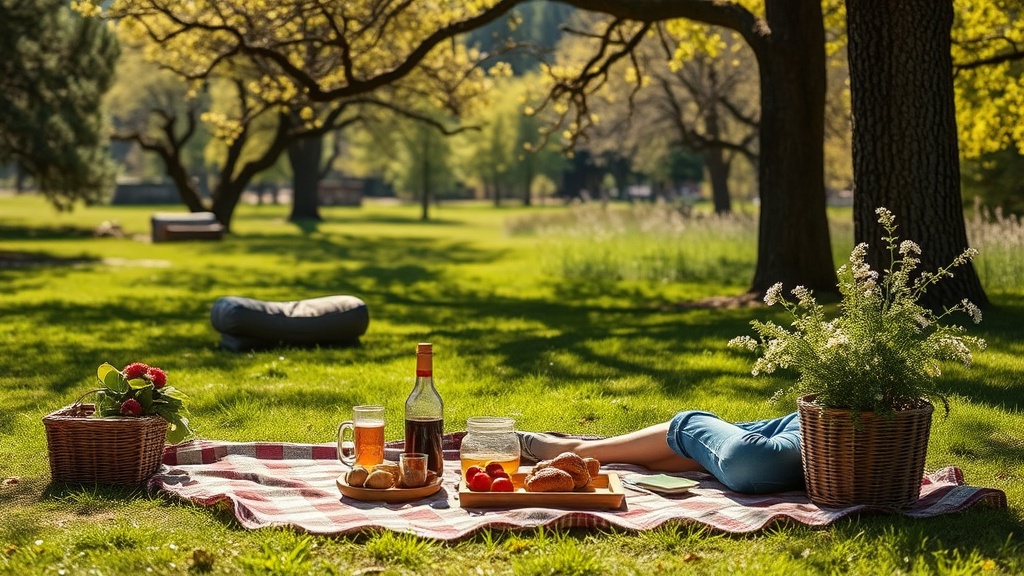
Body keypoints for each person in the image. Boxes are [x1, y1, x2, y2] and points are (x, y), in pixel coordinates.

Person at [517, 410, 804, 494]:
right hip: (813, 427)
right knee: (748, 457)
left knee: (739, 457)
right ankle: (575, 449)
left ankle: (575, 449)